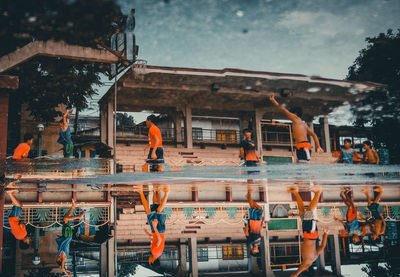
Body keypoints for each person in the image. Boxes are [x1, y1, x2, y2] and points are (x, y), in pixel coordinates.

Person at [269, 94, 323, 162]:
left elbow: (283, 110)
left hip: (303, 146)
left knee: (302, 165)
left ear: (295, 113)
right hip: (303, 146)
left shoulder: (295, 118)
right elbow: (314, 135)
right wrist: (318, 146)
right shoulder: (304, 124)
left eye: (292, 113)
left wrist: (273, 100)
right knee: (301, 165)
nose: (290, 115)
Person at [288, 186, 328, 277]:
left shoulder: (313, 259)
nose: (301, 269)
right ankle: (318, 192)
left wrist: (326, 233)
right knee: (309, 211)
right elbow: (294, 275)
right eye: (303, 271)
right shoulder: (306, 264)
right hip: (311, 234)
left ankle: (296, 192)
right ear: (306, 270)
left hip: (308, 234)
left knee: (302, 212)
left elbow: (322, 246)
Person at [134, 185, 169, 264]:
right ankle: (141, 191)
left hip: (160, 231)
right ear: (152, 262)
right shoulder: (155, 252)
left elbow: (157, 239)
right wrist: (154, 227)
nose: (148, 260)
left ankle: (156, 191)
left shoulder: (158, 253)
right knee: (150, 211)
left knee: (157, 209)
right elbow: (159, 239)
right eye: (149, 261)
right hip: (157, 230)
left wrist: (149, 234)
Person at [56, 199, 85, 277]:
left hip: (65, 236)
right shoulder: (63, 257)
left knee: (66, 219)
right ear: (59, 259)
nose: (56, 257)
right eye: (57, 259)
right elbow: (62, 267)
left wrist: (65, 270)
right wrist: (66, 273)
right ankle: (79, 216)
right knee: (65, 219)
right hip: (67, 235)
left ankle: (73, 207)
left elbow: (63, 267)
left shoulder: (61, 254)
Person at [5, 181, 30, 249]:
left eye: (28, 241)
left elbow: (21, 225)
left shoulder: (24, 234)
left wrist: (23, 224)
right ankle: (11, 190)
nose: (29, 239)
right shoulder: (17, 237)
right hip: (11, 219)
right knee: (19, 205)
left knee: (18, 205)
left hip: (15, 219)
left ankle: (10, 193)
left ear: (25, 242)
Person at [243, 186, 263, 255]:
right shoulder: (259, 242)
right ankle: (248, 197)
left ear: (251, 250)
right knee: (260, 208)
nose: (254, 250)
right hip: (258, 222)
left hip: (252, 223)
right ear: (258, 250)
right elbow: (259, 231)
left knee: (253, 208)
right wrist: (262, 222)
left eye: (253, 251)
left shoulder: (250, 241)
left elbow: (246, 232)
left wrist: (247, 222)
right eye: (255, 251)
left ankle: (249, 193)